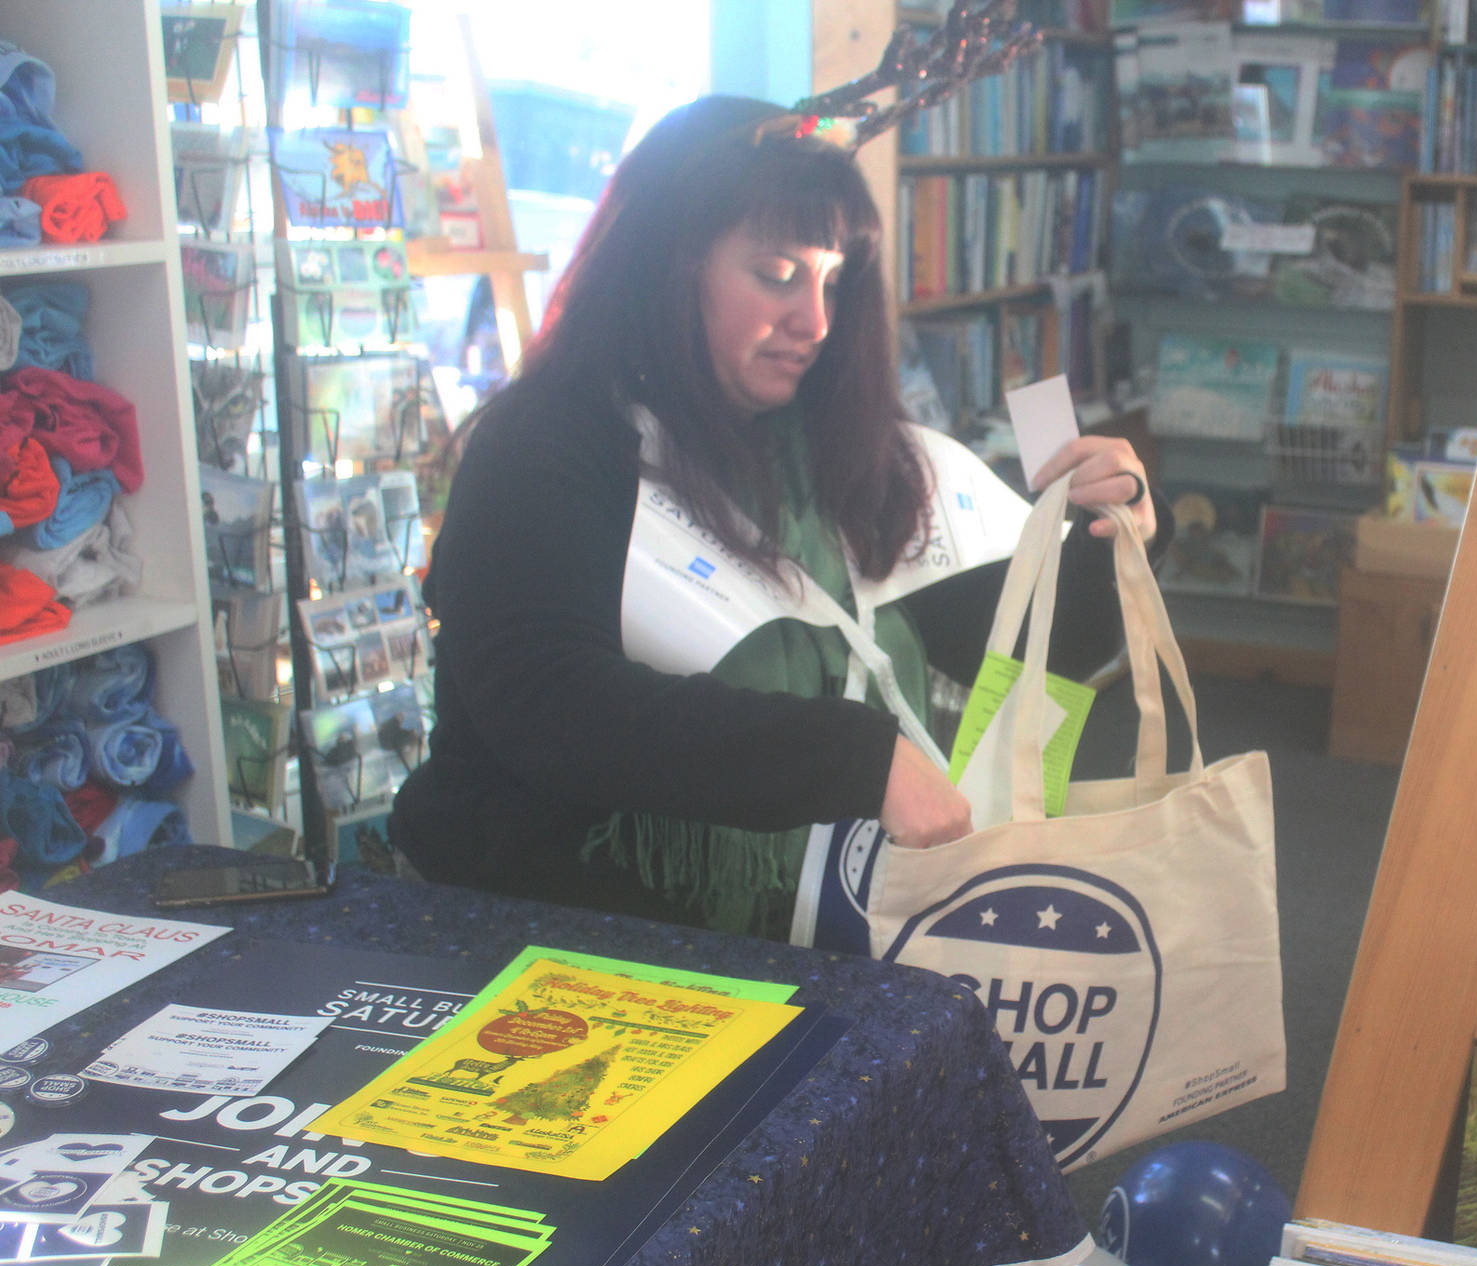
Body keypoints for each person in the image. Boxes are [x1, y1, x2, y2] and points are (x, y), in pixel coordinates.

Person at [388, 95, 1164, 938]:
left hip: (794, 935)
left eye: (834, 280)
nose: (816, 322)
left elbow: (1022, 653)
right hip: (547, 925)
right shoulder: (546, 445)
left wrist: (1106, 536)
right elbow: (551, 706)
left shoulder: (842, 449)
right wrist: (853, 761)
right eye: (778, 274)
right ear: (665, 264)